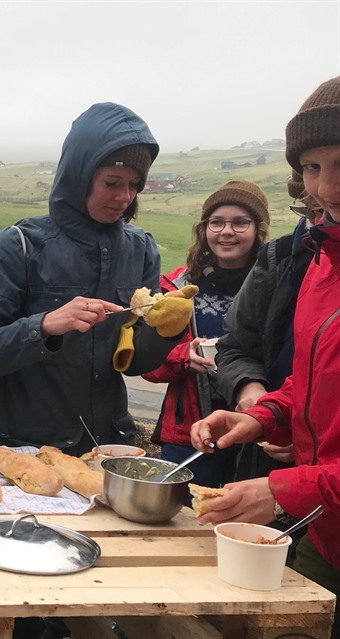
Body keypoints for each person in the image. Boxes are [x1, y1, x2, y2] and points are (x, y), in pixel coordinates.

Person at [191, 75, 340, 639]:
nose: (326, 189)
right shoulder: (320, 266)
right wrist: (263, 414)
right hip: (327, 535)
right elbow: (311, 382)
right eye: (311, 168)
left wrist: (282, 490)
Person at [0, 103, 192, 460]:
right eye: (112, 183)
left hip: (109, 447)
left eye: (135, 185)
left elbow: (132, 364)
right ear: (78, 176)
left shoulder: (141, 249)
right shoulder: (18, 245)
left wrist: (167, 332)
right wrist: (44, 326)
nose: (124, 197)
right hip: (25, 451)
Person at [143, 180, 270, 488]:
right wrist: (181, 357)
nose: (227, 231)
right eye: (217, 222)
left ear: (258, 230)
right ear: (204, 229)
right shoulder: (175, 289)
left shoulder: (276, 287)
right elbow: (145, 362)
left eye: (240, 222)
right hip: (189, 432)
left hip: (259, 430)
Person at [215, 176, 324, 487]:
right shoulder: (279, 258)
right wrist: (250, 392)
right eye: (311, 212)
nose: (320, 225)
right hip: (263, 453)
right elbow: (235, 345)